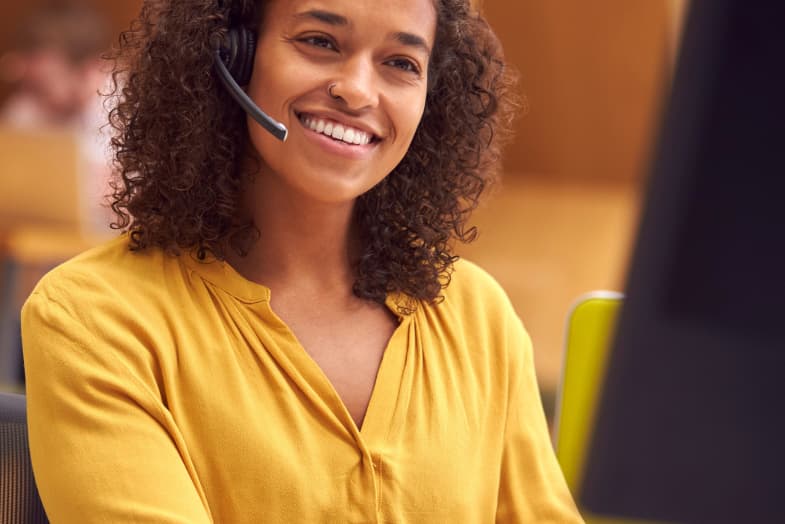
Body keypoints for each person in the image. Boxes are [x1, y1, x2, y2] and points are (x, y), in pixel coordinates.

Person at [21, 0, 584, 521]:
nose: (359, 91)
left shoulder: (474, 314)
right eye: (319, 41)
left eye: (401, 63)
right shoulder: (93, 317)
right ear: (230, 56)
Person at [0, 3, 113, 232]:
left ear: (91, 69)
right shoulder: (26, 107)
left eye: (47, 84)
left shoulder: (131, 110)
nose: (38, 98)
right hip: (40, 245)